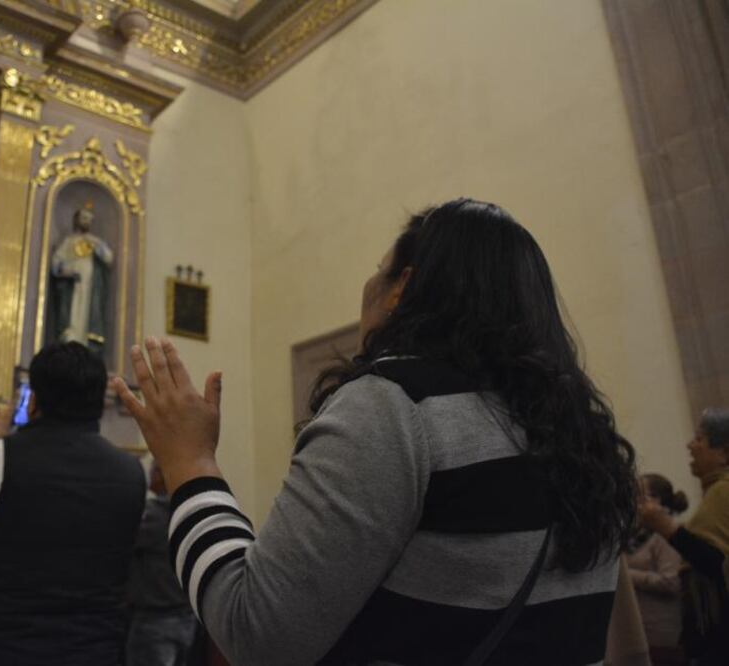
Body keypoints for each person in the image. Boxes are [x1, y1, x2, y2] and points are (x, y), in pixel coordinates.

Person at [113, 198, 640, 665]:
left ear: (402, 288)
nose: (368, 284)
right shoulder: (581, 432)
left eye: (379, 270)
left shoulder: (394, 404)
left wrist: (191, 464)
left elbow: (257, 633)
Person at [0, 341, 146, 666]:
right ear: (99, 402)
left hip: (0, 650)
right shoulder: (131, 472)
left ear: (34, 401)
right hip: (94, 651)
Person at [639, 408, 729, 665]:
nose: (690, 446)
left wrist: (667, 527)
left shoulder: (724, 491)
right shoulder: (717, 491)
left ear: (724, 453)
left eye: (700, 439)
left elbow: (715, 562)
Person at [125, 462, 199, 666]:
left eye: (153, 469)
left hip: (155, 619)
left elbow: (122, 541)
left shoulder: (154, 513)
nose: (149, 474)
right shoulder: (190, 510)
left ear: (162, 473)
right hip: (186, 617)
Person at [628, 474, 688, 665]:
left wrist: (628, 576)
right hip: (637, 628)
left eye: (640, 496)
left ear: (657, 501)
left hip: (660, 635)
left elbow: (672, 582)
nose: (634, 502)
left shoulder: (666, 535)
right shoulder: (634, 534)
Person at [47, 201, 114, 351]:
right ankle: (70, 336)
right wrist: (67, 271)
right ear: (77, 220)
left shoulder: (95, 241)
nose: (86, 221)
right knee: (72, 314)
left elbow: (109, 258)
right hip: (72, 284)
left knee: (87, 312)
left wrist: (97, 247)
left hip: (90, 286)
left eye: (89, 219)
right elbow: (56, 263)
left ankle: (85, 339)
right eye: (84, 218)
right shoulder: (68, 241)